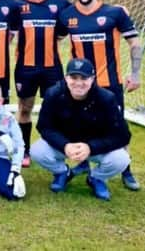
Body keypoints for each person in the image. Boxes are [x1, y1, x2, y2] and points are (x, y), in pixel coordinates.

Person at [58, 0, 142, 191]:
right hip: (79, 85)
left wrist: (135, 74)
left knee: (117, 126)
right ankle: (84, 163)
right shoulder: (67, 16)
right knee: (79, 124)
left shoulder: (114, 13)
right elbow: (55, 39)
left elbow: (134, 43)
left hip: (109, 83)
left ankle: (126, 169)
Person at [30, 58, 131, 201]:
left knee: (121, 159)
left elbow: (122, 136)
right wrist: (64, 145)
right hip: (66, 145)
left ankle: (96, 178)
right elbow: (44, 127)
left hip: (94, 147)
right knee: (37, 151)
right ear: (66, 78)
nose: (78, 83)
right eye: (74, 77)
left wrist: (91, 147)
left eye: (84, 78)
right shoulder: (53, 94)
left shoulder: (107, 99)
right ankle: (62, 172)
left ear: (92, 79)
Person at [14, 0, 71, 167]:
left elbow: (82, 11)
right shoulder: (17, 5)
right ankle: (25, 151)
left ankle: (54, 150)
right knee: (24, 108)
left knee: (57, 109)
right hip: (26, 68)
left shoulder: (60, 3)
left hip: (52, 68)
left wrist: (118, 8)